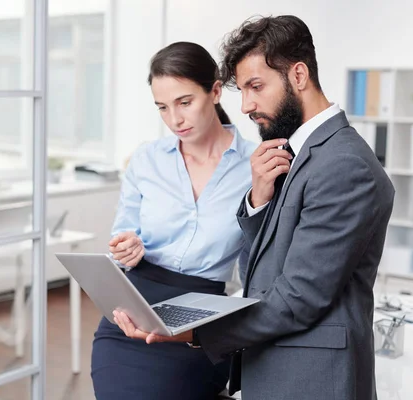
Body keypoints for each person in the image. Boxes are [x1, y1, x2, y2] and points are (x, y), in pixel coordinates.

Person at [113, 15, 395, 400]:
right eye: (242, 90)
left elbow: (298, 297)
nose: (245, 106)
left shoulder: (344, 164)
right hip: (277, 364)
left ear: (298, 75)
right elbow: (264, 268)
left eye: (256, 87)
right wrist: (258, 201)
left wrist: (192, 331)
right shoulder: (298, 152)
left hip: (312, 377)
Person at [91, 41, 256, 400]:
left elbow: (263, 256)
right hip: (130, 317)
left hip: (199, 325)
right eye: (162, 108)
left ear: (214, 91)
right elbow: (123, 234)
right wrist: (127, 247)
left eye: (184, 102)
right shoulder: (146, 160)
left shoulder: (255, 165)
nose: (174, 119)